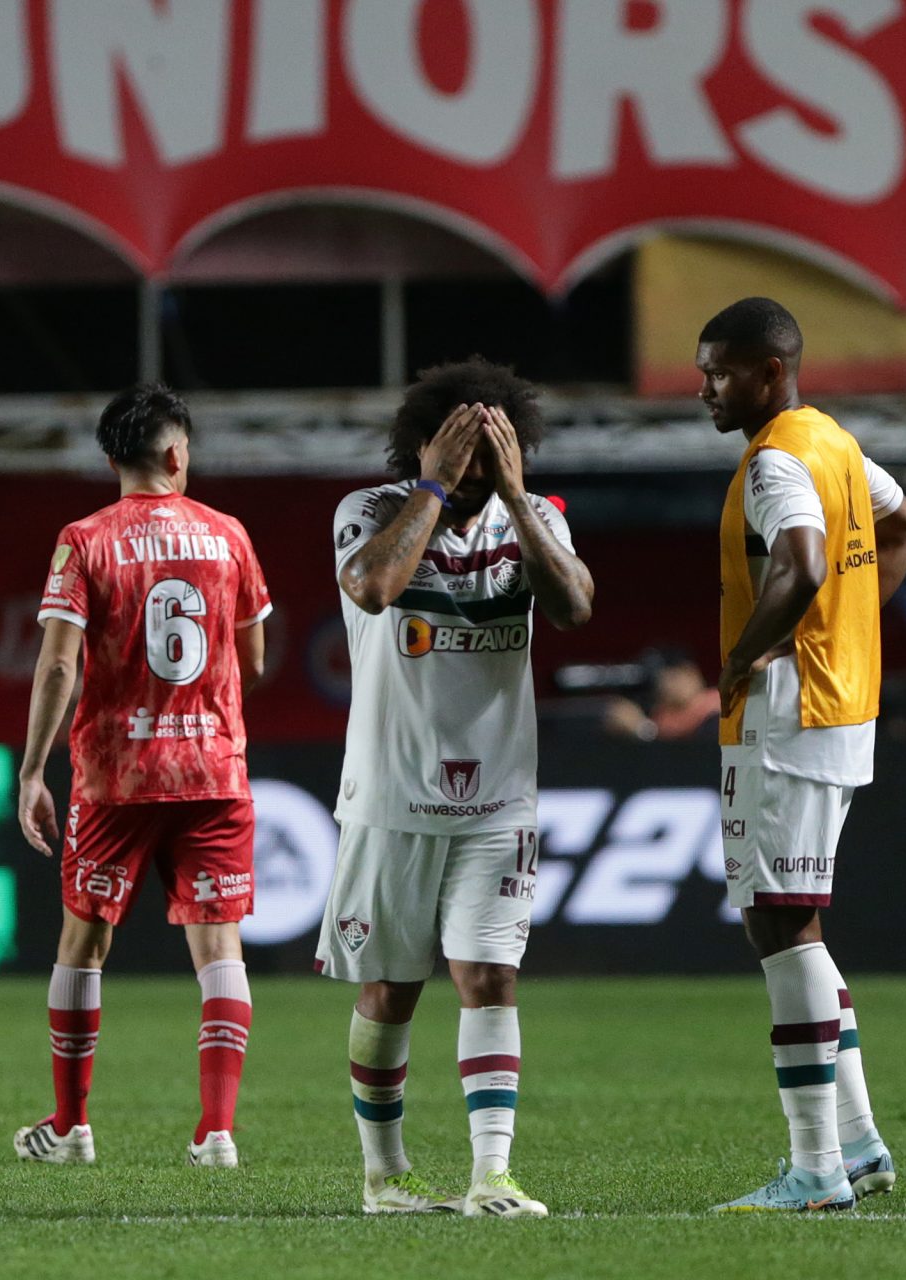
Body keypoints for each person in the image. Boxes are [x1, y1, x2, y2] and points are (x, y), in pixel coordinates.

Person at [321, 357, 594, 1217]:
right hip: (391, 793)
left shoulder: (534, 516)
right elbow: (372, 588)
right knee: (392, 989)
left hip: (500, 798)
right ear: (421, 447)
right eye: (460, 460)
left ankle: (492, 1176)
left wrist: (515, 499)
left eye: (490, 462)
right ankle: (385, 1176)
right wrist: (432, 490)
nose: (476, 477)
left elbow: (576, 607)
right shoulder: (369, 512)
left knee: (490, 978)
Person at [697, 298, 906, 1212]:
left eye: (720, 372)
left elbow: (797, 562)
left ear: (769, 373)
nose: (706, 388)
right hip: (842, 705)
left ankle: (815, 1169)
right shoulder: (834, 442)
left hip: (788, 714)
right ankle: (860, 1145)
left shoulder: (779, 459)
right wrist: (852, 629)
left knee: (777, 923)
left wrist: (745, 654)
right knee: (798, 925)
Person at [10, 384, 270, 1167]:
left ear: (112, 456)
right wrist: (201, 712)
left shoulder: (83, 540)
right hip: (213, 773)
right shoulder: (229, 536)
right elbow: (252, 660)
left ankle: (69, 1128)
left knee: (82, 947)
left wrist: (32, 770)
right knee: (220, 950)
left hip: (117, 775)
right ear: (176, 453)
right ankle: (217, 1132)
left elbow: (58, 663)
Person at [600, 650, 721, 742]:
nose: (666, 685)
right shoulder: (662, 717)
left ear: (691, 672)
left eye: (674, 676)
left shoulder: (718, 706)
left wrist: (642, 729)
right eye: (659, 679)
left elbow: (699, 749)